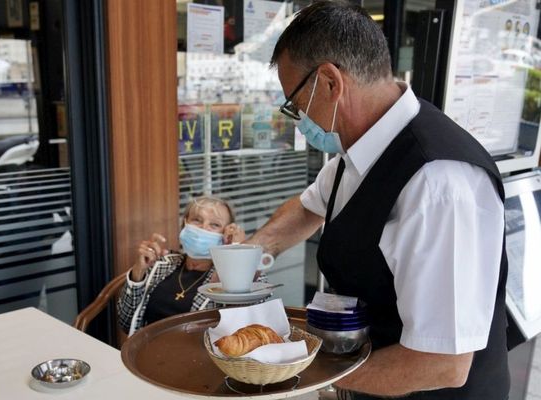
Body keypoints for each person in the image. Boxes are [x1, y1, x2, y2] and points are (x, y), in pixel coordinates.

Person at [247, 2, 509, 399]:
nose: (298, 117)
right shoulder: (360, 152)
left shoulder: (438, 183)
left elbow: (442, 363)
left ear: (331, 82)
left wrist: (302, 373)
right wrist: (251, 252)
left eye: (295, 102)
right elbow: (308, 207)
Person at [117, 196, 265, 336]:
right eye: (196, 220)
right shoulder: (161, 263)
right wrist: (138, 271)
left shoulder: (230, 275)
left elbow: (244, 328)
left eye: (214, 224)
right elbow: (126, 322)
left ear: (226, 234)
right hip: (144, 354)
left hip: (199, 359)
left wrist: (236, 252)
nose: (203, 228)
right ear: (184, 224)